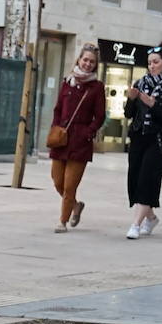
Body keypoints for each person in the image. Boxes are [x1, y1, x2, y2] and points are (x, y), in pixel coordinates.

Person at [47, 42, 106, 234]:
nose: (88, 64)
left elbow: (100, 116)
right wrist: (55, 127)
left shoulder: (96, 87)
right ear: (79, 60)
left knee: (70, 184)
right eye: (85, 59)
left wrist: (88, 133)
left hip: (80, 142)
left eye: (92, 62)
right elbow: (57, 109)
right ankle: (75, 206)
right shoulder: (67, 81)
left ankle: (62, 222)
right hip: (61, 138)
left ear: (95, 65)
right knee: (58, 181)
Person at [124, 43, 162, 240]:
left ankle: (135, 225)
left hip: (157, 140)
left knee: (147, 180)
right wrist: (131, 100)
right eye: (149, 63)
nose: (152, 66)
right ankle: (151, 218)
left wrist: (153, 104)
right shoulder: (140, 84)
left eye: (156, 62)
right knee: (134, 181)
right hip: (139, 136)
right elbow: (129, 114)